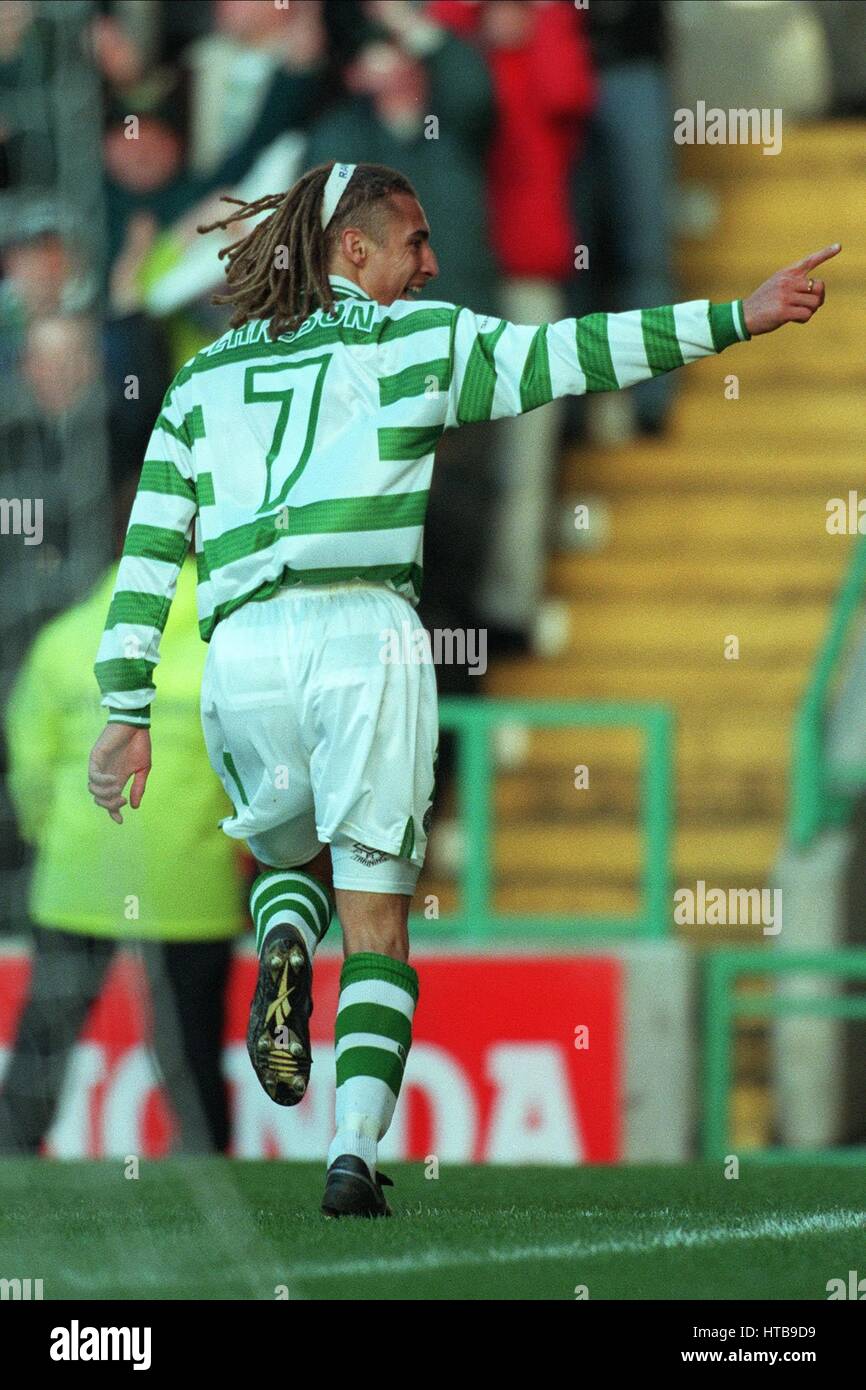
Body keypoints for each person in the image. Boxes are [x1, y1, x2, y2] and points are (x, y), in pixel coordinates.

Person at [86, 158, 838, 1217]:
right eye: (415, 242)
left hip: (243, 646)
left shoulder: (202, 380)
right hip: (368, 640)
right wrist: (737, 316)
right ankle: (349, 1152)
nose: (432, 265)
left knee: (281, 850)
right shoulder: (420, 342)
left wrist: (125, 708)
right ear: (353, 250)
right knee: (382, 918)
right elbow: (573, 352)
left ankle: (285, 946)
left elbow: (152, 552)